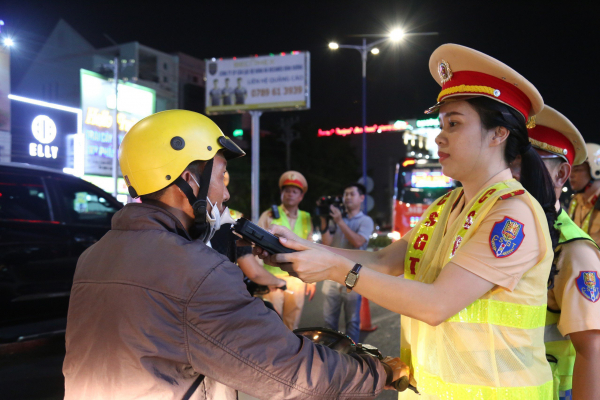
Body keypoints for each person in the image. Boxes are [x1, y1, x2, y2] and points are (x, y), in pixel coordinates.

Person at [256, 44, 559, 399]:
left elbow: (436, 305)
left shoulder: (512, 214)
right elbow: (385, 261)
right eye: (441, 124)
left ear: (499, 133)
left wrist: (337, 270)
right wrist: (304, 247)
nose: (439, 136)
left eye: (455, 124)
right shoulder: (445, 205)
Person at [62, 110, 406, 399]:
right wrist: (379, 371)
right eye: (222, 176)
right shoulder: (196, 272)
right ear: (188, 180)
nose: (226, 193)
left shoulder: (94, 256)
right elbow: (293, 372)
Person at [510, 106, 600, 400]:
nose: (512, 173)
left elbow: (592, 351)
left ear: (561, 173)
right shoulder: (513, 232)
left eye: (529, 164)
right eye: (508, 161)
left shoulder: (573, 251)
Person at [257, 171, 316, 330]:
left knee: (293, 324)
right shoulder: (269, 215)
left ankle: (290, 354)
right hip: (273, 278)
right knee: (271, 324)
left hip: (297, 278)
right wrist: (262, 278)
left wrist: (312, 279)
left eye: (294, 191)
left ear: (301, 196)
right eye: (286, 190)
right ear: (281, 194)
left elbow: (311, 246)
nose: (290, 194)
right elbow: (255, 246)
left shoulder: (306, 217)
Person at [210, 171, 286, 293]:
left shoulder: (187, 226)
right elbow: (255, 273)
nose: (226, 195)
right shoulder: (228, 229)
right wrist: (279, 282)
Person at [319, 183, 374, 342]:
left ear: (361, 198)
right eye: (345, 194)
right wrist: (324, 220)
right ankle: (330, 356)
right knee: (328, 322)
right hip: (331, 274)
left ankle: (351, 358)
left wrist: (340, 222)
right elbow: (326, 242)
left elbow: (358, 242)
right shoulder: (336, 218)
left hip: (353, 276)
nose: (347, 197)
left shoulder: (365, 221)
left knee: (352, 322)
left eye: (351, 194)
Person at [568, 142, 600, 245]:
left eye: (577, 170)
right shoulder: (576, 201)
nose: (570, 175)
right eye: (570, 169)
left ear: (596, 171)